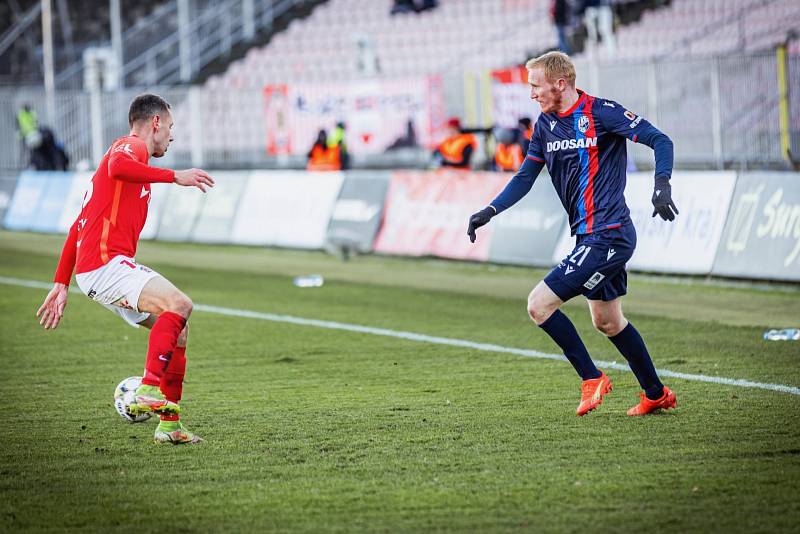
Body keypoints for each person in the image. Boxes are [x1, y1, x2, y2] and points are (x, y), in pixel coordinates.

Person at [467, 52, 678, 416]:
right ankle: (656, 393)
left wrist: (661, 185)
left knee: (539, 304)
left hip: (609, 235)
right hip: (588, 237)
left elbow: (661, 140)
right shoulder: (545, 126)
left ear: (560, 83)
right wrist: (490, 210)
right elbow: (524, 178)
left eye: (535, 85)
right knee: (608, 321)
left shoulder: (601, 112)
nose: (531, 94)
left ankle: (591, 378)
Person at [36, 94, 215, 444]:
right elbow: (119, 167)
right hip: (106, 266)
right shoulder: (130, 146)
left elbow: (79, 225)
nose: (172, 137)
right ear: (156, 123)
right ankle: (148, 388)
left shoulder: (131, 160)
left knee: (178, 329)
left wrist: (60, 283)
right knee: (180, 304)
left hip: (102, 269)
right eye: (171, 127)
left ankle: (169, 425)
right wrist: (174, 177)